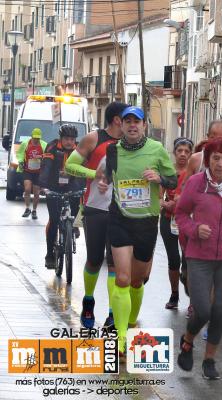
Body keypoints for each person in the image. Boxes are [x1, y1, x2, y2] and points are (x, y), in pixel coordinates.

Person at [100, 106, 177, 356]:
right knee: (121, 278)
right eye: (128, 121)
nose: (132, 126)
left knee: (137, 279)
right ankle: (122, 336)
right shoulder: (113, 150)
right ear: (121, 126)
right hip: (119, 218)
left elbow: (173, 180)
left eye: (137, 122)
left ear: (144, 125)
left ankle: (131, 322)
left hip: (146, 221)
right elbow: (108, 177)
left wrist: (159, 179)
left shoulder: (156, 149)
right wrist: (103, 183)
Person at [175, 138, 222, 378]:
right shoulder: (196, 183)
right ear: (207, 159)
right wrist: (194, 229)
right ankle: (188, 340)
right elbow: (180, 214)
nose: (220, 164)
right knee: (202, 309)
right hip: (199, 256)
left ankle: (209, 359)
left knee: (219, 310)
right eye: (215, 158)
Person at [65, 101, 129, 329]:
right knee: (94, 260)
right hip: (96, 208)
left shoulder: (134, 143)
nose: (132, 124)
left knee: (115, 265)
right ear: (117, 120)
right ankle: (89, 300)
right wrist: (95, 174)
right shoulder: (94, 138)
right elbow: (70, 166)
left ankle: (112, 313)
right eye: (128, 119)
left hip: (122, 211)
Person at [39, 125, 83, 269]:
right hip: (53, 186)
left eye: (72, 139)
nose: (69, 142)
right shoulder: (52, 147)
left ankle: (73, 225)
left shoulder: (80, 149)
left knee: (77, 204)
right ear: (60, 138)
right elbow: (46, 166)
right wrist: (43, 185)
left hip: (73, 184)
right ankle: (49, 255)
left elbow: (86, 166)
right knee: (54, 220)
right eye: (66, 139)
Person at [161, 137, 193, 309]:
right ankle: (174, 295)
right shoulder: (167, 172)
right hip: (168, 219)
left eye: (187, 151)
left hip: (188, 221)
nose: (183, 154)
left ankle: (191, 298)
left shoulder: (194, 174)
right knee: (173, 259)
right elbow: (158, 196)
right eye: (179, 151)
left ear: (191, 154)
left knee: (189, 260)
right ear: (174, 153)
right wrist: (167, 204)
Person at [17, 128, 47, 220]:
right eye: (35, 138)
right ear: (32, 136)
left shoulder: (44, 144)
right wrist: (21, 161)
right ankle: (27, 208)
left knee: (36, 193)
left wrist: (43, 159)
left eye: (38, 138)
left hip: (38, 172)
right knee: (27, 189)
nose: (36, 140)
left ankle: (34, 210)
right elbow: (20, 154)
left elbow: (47, 156)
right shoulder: (25, 143)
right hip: (27, 170)